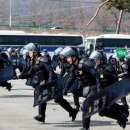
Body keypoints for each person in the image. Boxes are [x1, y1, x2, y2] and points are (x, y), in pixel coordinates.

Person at [89, 50, 128, 129]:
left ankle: (121, 116)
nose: (95, 61)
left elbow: (115, 78)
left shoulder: (108, 67)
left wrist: (107, 74)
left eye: (97, 60)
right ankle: (122, 111)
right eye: (94, 60)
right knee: (103, 111)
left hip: (109, 92)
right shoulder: (96, 67)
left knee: (102, 111)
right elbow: (97, 81)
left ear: (102, 59)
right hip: (101, 92)